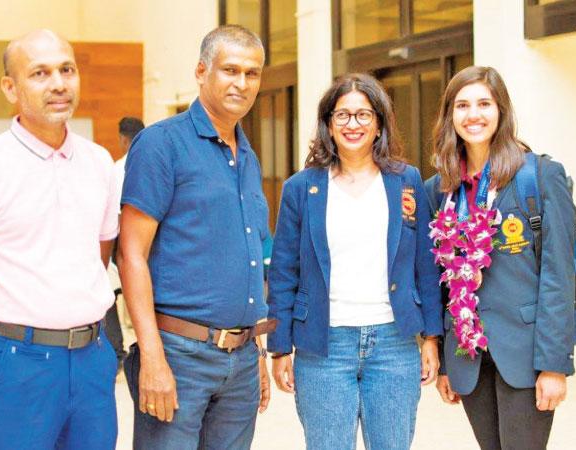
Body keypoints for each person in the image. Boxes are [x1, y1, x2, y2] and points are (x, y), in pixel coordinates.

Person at [0, 29, 120, 449]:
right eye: (40, 73)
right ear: (10, 88)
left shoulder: (99, 163)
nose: (58, 84)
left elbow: (97, 257)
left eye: (66, 70)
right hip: (16, 364)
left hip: (92, 359)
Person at [117, 25, 275, 449]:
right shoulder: (160, 145)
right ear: (202, 71)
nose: (242, 83)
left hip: (239, 359)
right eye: (230, 70)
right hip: (178, 355)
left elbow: (250, 259)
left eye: (252, 73)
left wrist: (255, 350)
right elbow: (130, 254)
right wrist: (150, 355)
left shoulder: (247, 156)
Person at [267, 73, 443, 450]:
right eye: (342, 115)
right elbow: (284, 271)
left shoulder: (406, 180)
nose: (353, 124)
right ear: (328, 123)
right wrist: (280, 347)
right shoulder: (302, 187)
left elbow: (424, 266)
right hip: (323, 347)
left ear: (379, 122)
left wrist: (431, 337)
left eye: (363, 115)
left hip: (394, 344)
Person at [424, 66, 576, 450]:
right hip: (469, 354)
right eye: (462, 105)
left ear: (501, 110)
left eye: (483, 104)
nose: (473, 115)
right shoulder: (440, 189)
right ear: (449, 115)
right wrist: (446, 362)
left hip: (525, 352)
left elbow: (559, 275)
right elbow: (439, 281)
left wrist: (554, 364)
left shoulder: (539, 176)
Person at [104, 116, 145, 367]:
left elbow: (114, 215)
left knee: (108, 294)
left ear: (122, 139)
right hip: (154, 242)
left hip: (123, 242)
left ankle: (117, 351)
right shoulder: (156, 162)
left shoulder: (117, 168)